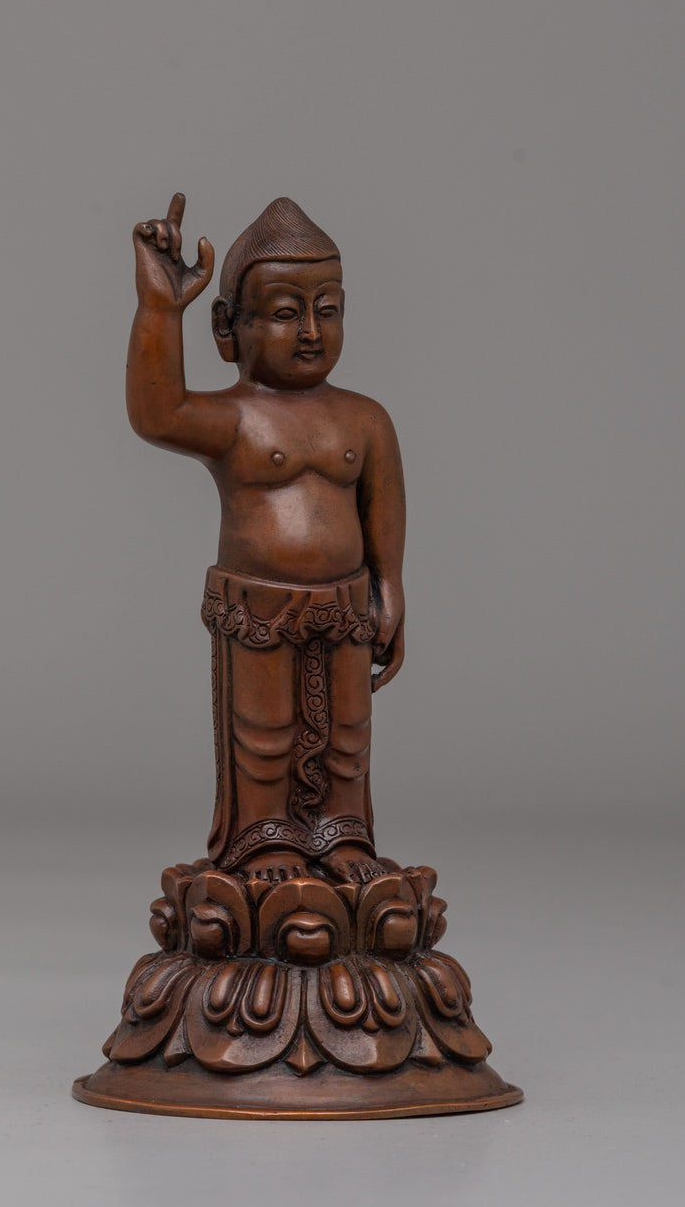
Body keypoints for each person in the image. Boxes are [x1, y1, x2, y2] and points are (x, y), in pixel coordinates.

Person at [127, 193, 405, 885]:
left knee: (347, 732)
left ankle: (342, 834)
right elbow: (156, 412)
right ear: (230, 327)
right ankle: (263, 841)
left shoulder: (365, 420)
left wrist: (390, 588)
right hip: (257, 608)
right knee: (264, 733)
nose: (310, 331)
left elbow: (384, 509)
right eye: (285, 313)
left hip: (346, 605)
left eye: (328, 310)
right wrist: (160, 310)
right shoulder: (234, 418)